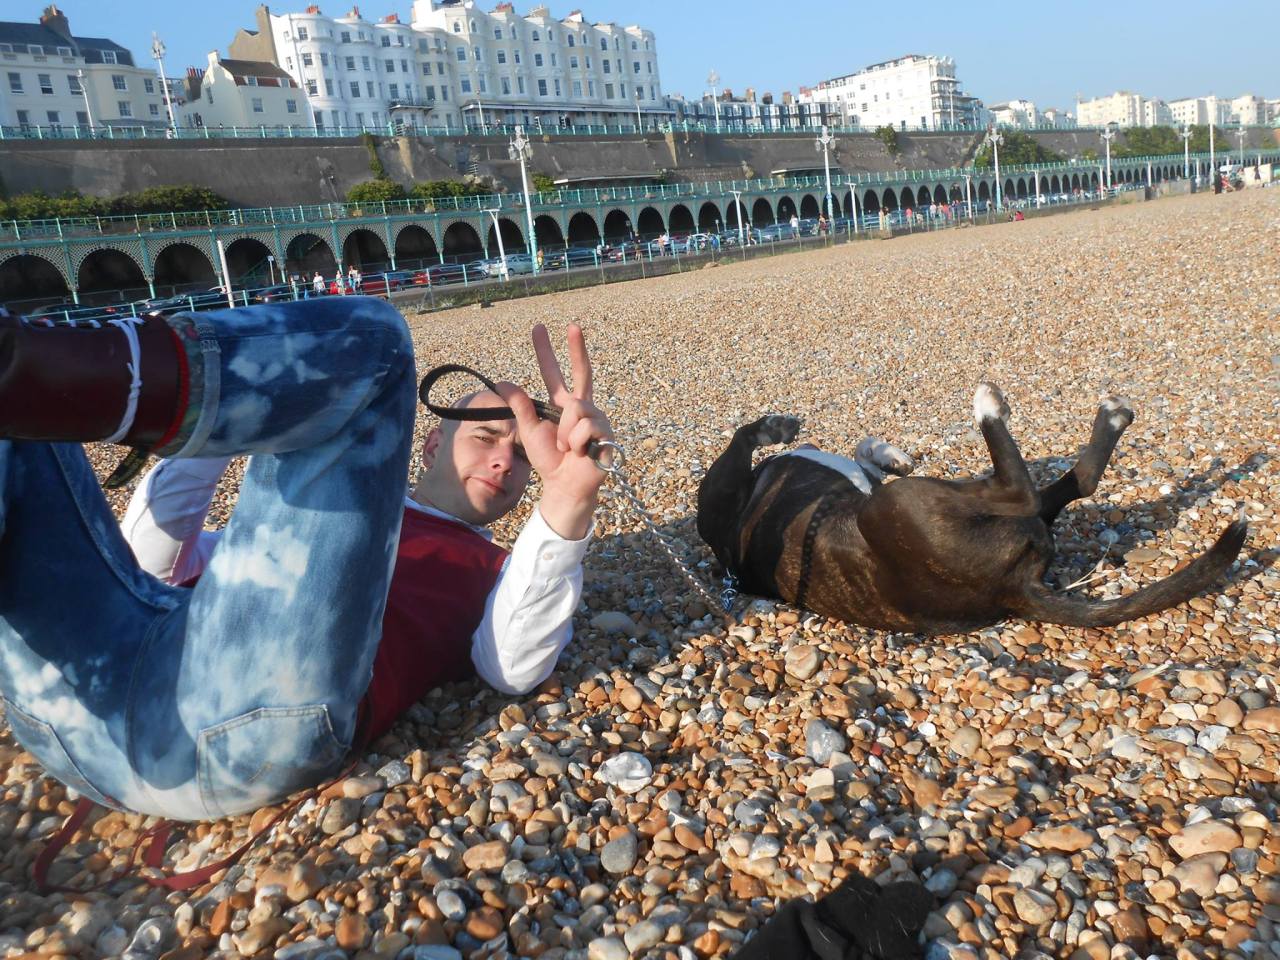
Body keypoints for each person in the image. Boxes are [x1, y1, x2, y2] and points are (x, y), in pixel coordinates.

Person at [0, 300, 612, 821]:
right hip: (79, 707)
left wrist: (566, 499)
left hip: (251, 727)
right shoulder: (327, 501)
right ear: (429, 445)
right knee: (16, 437)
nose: (506, 461)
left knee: (373, 344)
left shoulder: (501, 566)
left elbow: (510, 668)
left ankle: (90, 372)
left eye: (523, 456)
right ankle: (40, 370)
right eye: (485, 437)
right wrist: (238, 403)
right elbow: (152, 567)